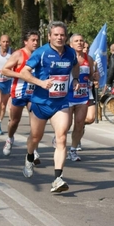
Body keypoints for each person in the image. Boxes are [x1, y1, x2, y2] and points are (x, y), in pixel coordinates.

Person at [20, 21, 80, 193]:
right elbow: (24, 72)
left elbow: (75, 66)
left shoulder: (70, 53)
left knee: (61, 138)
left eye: (62, 35)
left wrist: (75, 79)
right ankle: (29, 157)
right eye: (56, 35)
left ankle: (57, 178)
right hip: (40, 103)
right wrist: (41, 82)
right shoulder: (41, 52)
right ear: (49, 36)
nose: (59, 37)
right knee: (35, 137)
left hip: (60, 103)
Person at [1, 30, 41, 165]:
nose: (36, 42)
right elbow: (5, 70)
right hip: (19, 92)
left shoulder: (40, 54)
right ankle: (10, 138)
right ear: (26, 41)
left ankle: (33, 151)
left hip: (34, 93)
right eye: (33, 40)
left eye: (37, 40)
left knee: (35, 123)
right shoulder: (18, 54)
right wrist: (22, 75)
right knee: (14, 121)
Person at [67, 34, 98, 161]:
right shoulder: (66, 58)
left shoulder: (88, 59)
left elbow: (90, 76)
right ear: (71, 44)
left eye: (81, 40)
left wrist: (94, 78)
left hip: (83, 96)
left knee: (80, 123)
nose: (79, 43)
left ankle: (73, 150)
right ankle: (59, 136)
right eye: (76, 41)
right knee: (66, 124)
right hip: (68, 96)